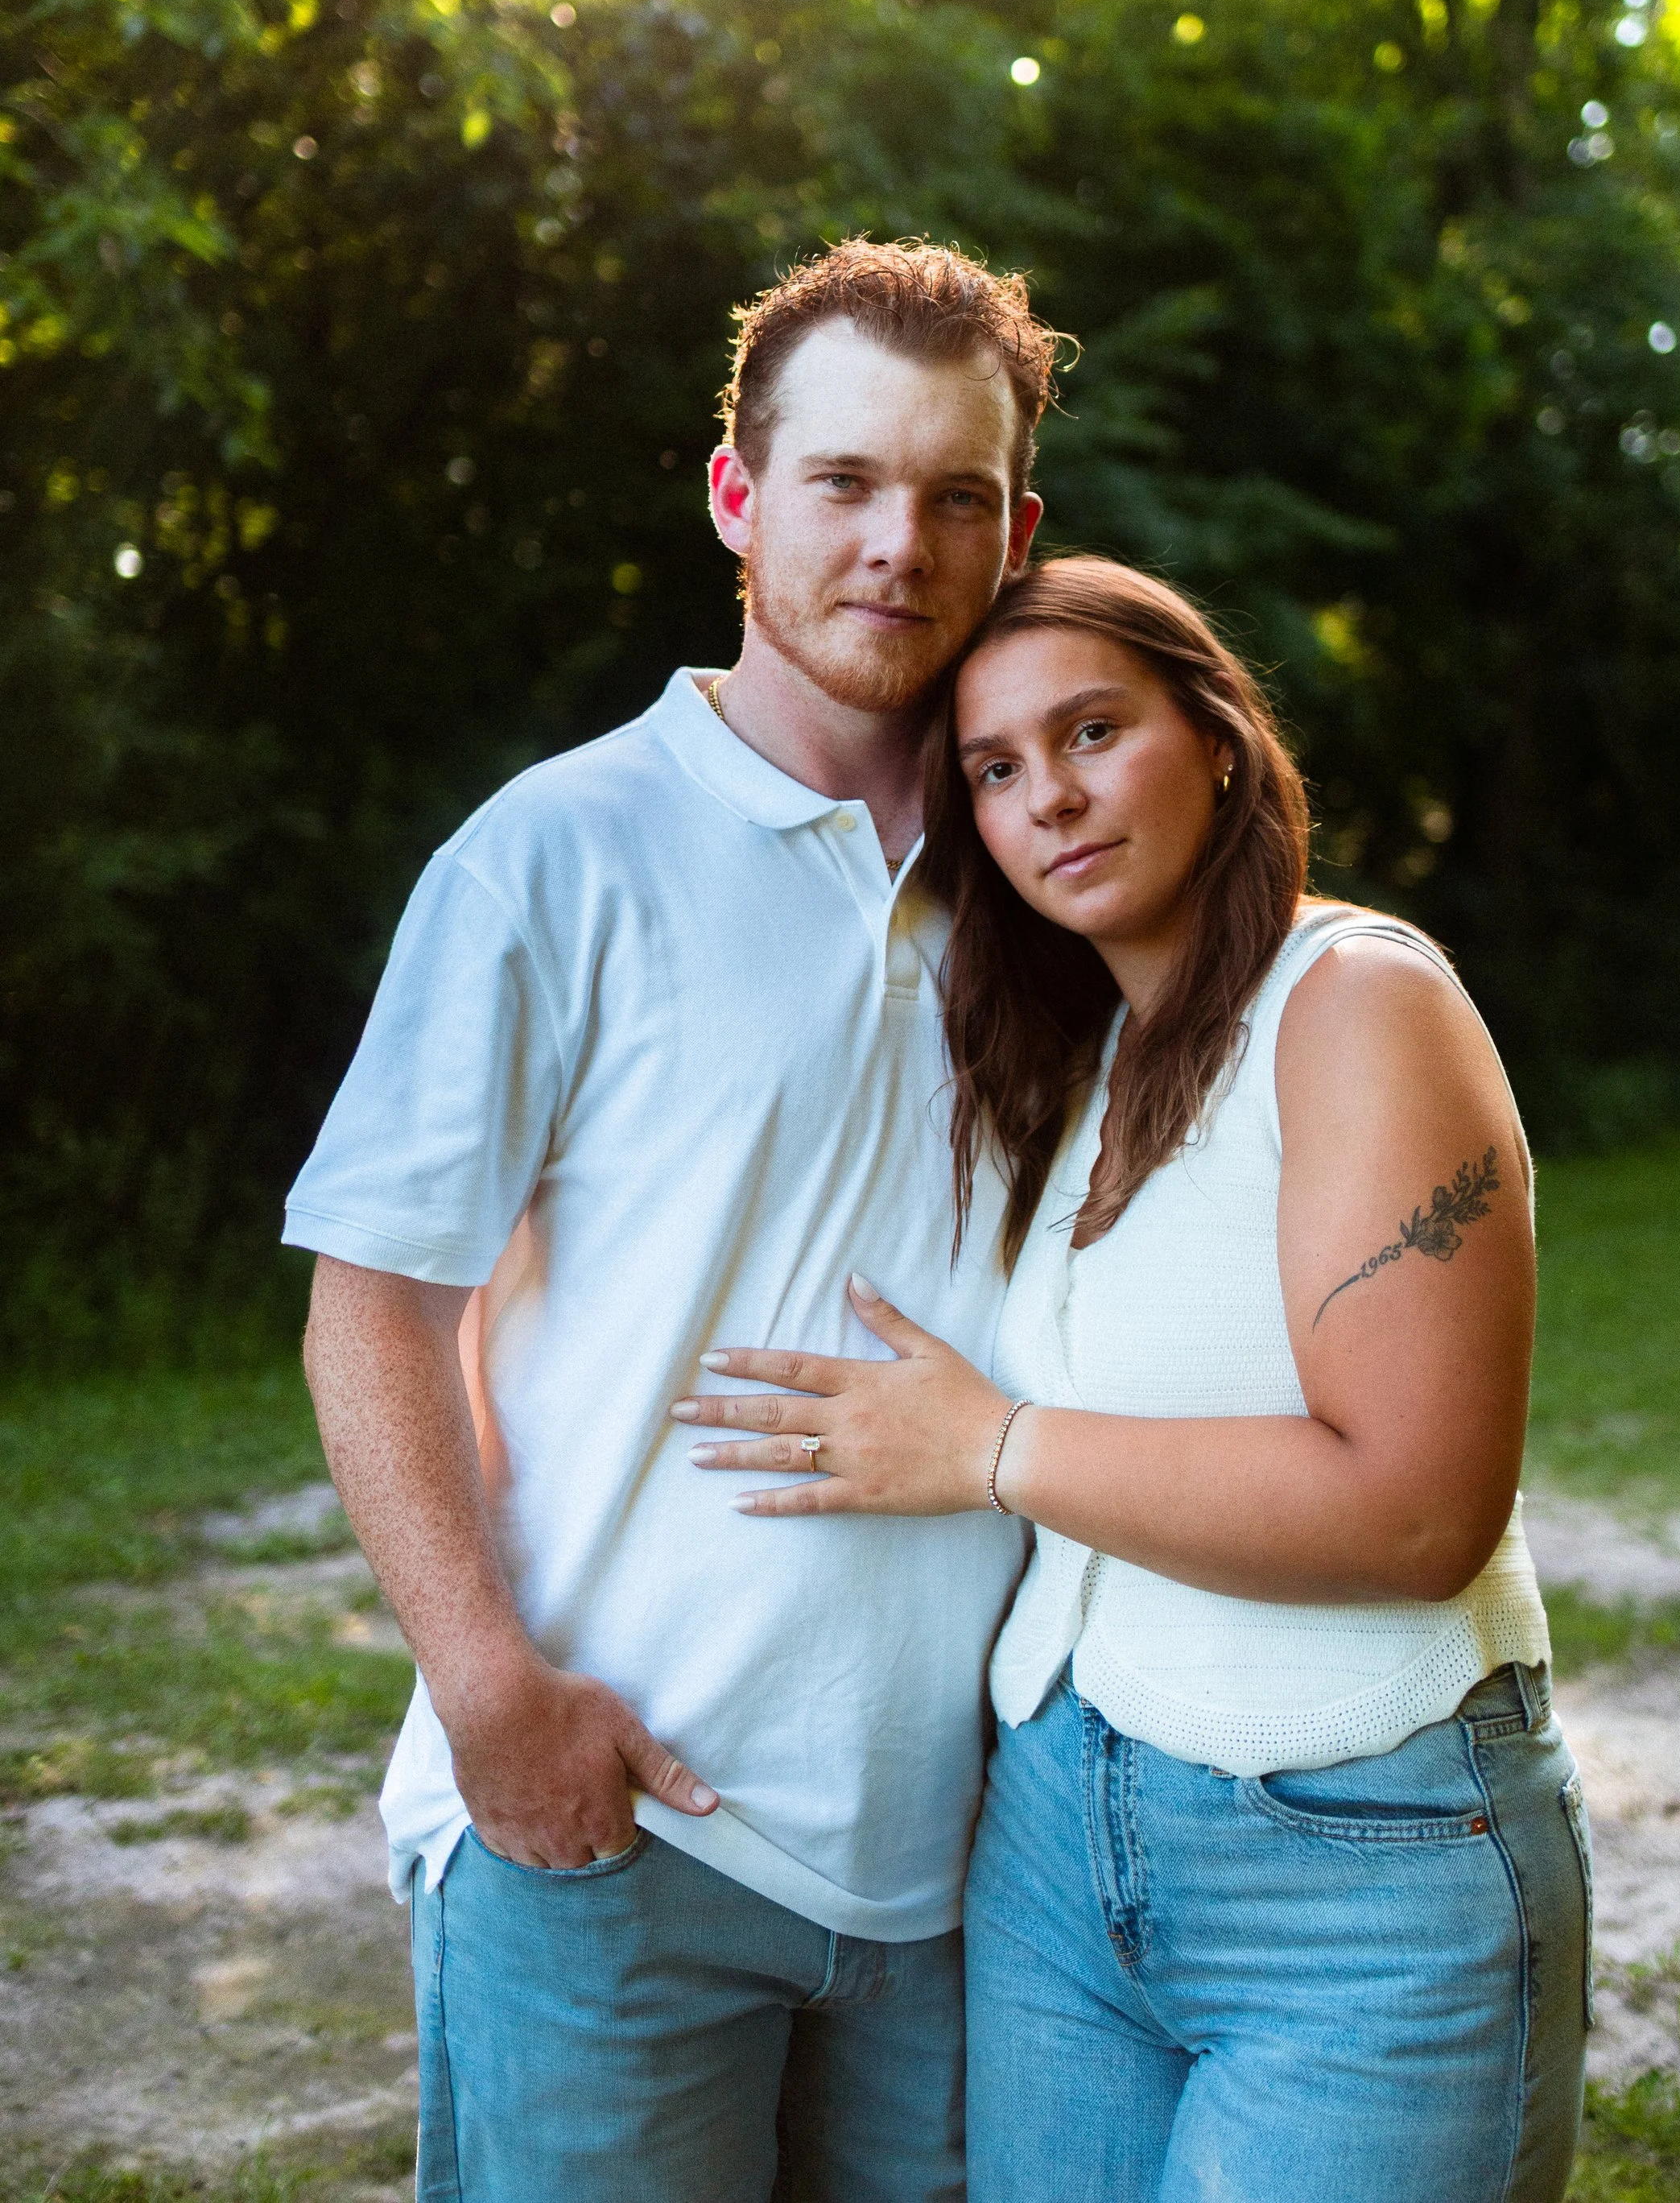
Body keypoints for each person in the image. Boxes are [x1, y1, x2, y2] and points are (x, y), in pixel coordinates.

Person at [287, 239, 1056, 2203]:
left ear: (1016, 527)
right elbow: (372, 1308)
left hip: (959, 1873)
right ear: (736, 495)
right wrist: (487, 1689)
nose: (898, 539)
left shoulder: (1050, 882)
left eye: (953, 493)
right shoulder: (553, 852)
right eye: (844, 482)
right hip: (617, 1836)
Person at [678, 555, 1593, 2203]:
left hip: (1357, 1860)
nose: (1051, 797)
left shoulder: (1357, 1001)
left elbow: (1413, 1508)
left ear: (1221, 736)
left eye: (1093, 729)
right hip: (1054, 1848)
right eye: (997, 769)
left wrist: (993, 1445)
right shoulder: (1094, 1055)